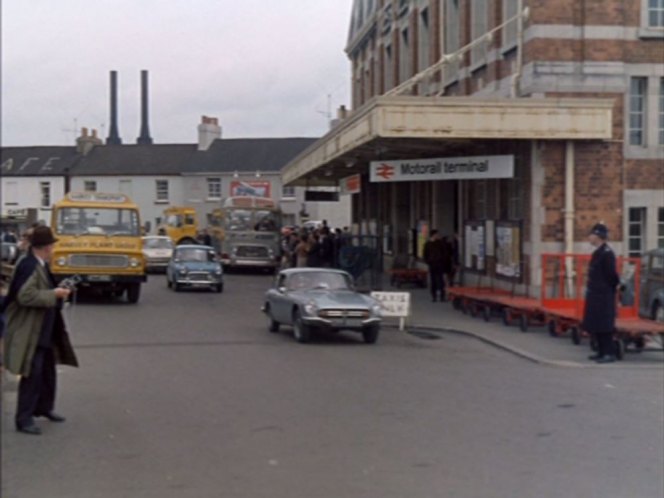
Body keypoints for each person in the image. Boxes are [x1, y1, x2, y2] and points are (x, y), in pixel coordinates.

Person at [2, 226, 79, 435]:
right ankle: (23, 418)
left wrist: (59, 290)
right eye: (52, 245)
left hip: (44, 327)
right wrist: (54, 294)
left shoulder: (39, 264)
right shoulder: (29, 265)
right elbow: (24, 297)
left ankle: (43, 408)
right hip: (30, 328)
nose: (53, 248)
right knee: (32, 372)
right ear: (45, 247)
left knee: (47, 370)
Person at [582, 223, 620, 364]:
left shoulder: (607, 254)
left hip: (604, 295)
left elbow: (612, 275)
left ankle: (609, 353)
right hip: (595, 294)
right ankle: (601, 351)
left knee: (605, 325)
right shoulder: (597, 253)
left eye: (592, 235)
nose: (589, 237)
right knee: (596, 324)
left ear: (598, 236)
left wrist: (608, 289)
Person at [423, 229, 448, 302]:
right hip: (432, 264)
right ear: (433, 235)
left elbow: (445, 253)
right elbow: (425, 254)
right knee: (433, 280)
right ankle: (434, 296)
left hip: (440, 264)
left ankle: (442, 296)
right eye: (437, 234)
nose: (438, 236)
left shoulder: (440, 243)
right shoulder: (427, 244)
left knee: (441, 280)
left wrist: (443, 261)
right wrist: (428, 261)